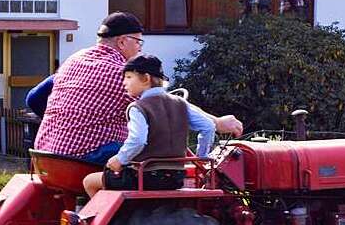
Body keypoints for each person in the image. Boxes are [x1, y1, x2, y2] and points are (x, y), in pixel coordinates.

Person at [33, 11, 242, 164]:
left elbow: (33, 98)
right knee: (156, 157)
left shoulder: (74, 60)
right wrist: (218, 122)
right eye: (138, 42)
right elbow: (167, 105)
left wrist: (72, 120)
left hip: (47, 155)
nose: (141, 48)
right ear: (123, 42)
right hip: (83, 158)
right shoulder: (122, 74)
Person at [83, 54, 215, 197]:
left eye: (128, 77)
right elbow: (208, 126)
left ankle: (111, 219)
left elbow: (138, 140)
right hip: (176, 177)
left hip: (146, 176)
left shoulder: (138, 108)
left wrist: (119, 159)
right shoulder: (180, 103)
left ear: (146, 78)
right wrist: (201, 159)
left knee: (89, 181)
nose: (124, 83)